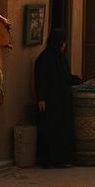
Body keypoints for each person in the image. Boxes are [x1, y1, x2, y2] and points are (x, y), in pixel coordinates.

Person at [34, 28, 75, 168]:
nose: (64, 45)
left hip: (62, 101)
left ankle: (62, 159)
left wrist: (76, 79)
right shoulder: (44, 59)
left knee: (62, 129)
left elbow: (64, 77)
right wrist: (41, 98)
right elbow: (41, 79)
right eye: (62, 43)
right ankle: (48, 160)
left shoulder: (61, 58)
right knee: (50, 129)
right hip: (50, 101)